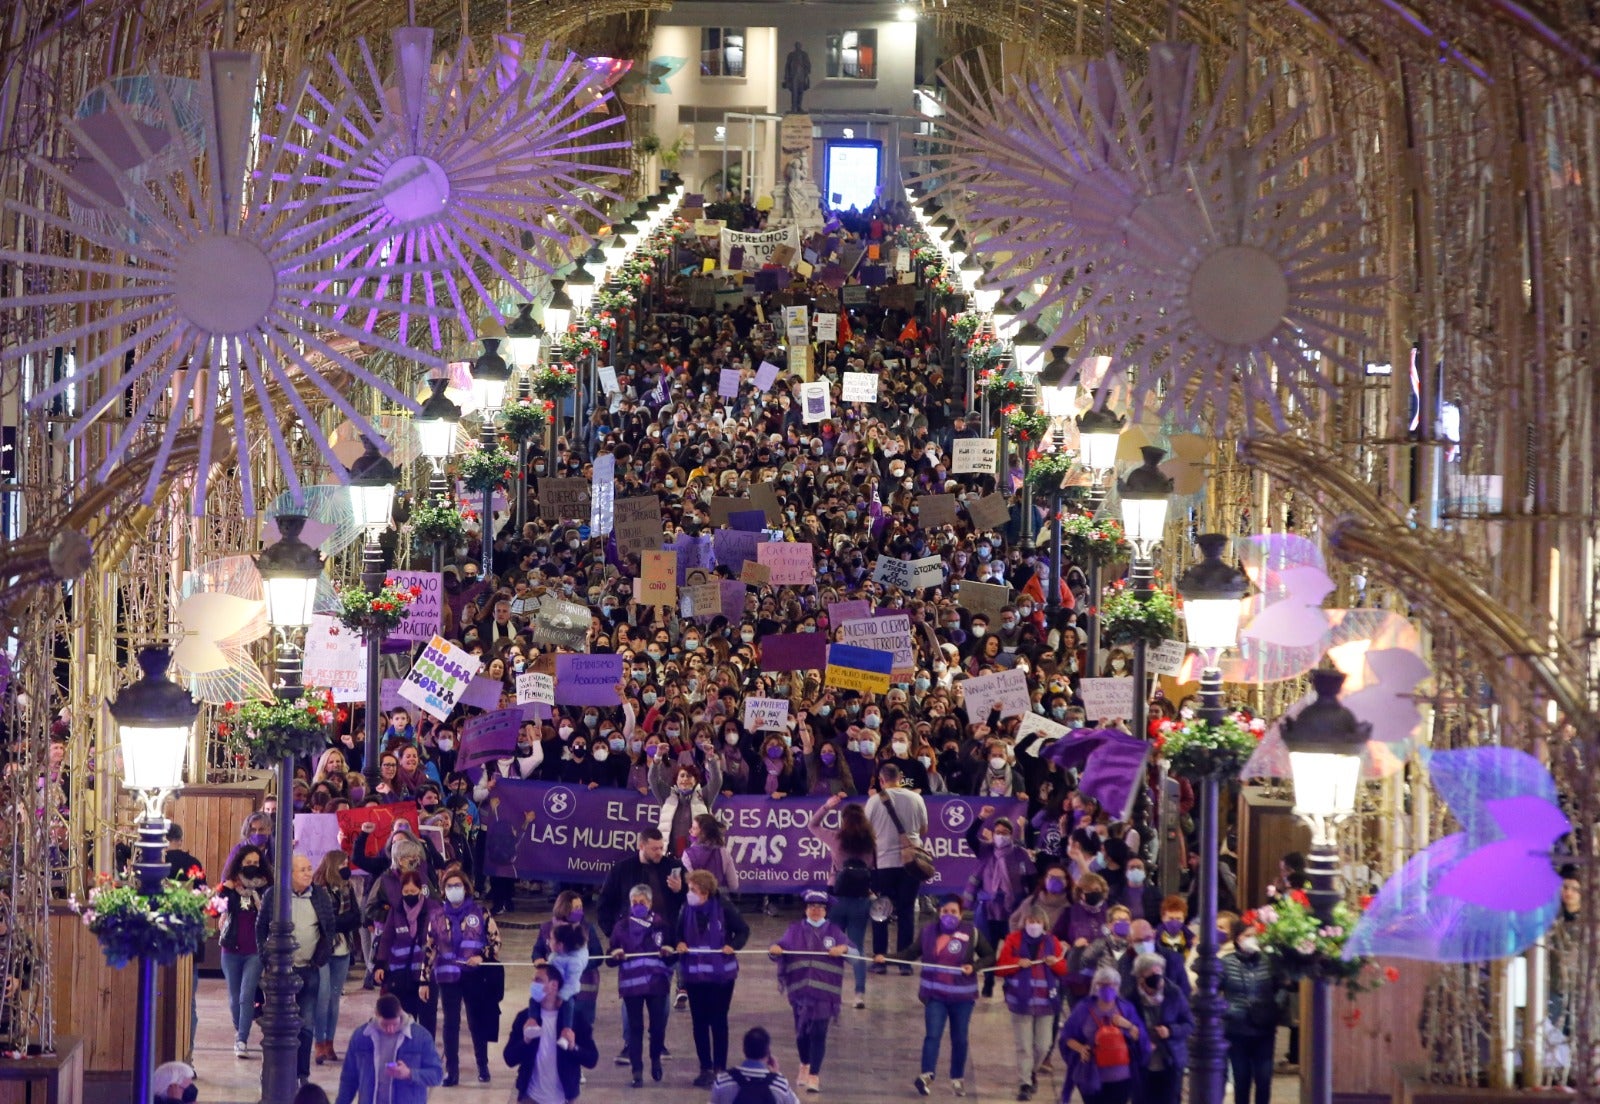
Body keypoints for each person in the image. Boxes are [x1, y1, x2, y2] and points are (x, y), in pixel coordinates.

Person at [882, 894, 994, 1098]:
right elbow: (909, 954)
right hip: (935, 996)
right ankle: (926, 1075)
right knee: (932, 1035)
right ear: (939, 912)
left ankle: (957, 1078)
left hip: (962, 999)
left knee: (959, 1038)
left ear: (961, 914)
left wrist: (975, 966)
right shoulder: (927, 932)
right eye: (945, 911)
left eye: (953, 912)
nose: (949, 915)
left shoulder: (972, 933)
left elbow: (990, 956)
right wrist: (885, 957)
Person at [260, 854, 335, 1085]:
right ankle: (275, 1073)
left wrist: (319, 959)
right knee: (276, 1024)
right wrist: (268, 959)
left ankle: (302, 1074)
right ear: (289, 874)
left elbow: (329, 929)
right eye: (302, 869)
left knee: (306, 1022)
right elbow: (261, 928)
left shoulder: (320, 895)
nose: (308, 873)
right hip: (280, 973)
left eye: (309, 868)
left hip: (308, 969)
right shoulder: (274, 895)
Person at [673, 868, 750, 1087]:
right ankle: (705, 1067)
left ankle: (720, 1069)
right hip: (694, 977)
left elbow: (743, 930)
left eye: (693, 890)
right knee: (699, 1023)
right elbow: (678, 933)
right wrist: (679, 942)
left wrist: (732, 946)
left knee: (718, 1022)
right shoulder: (685, 908)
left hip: (721, 977)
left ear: (705, 892)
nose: (690, 893)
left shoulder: (724, 907)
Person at [768, 889, 851, 1093]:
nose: (816, 910)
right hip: (800, 994)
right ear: (805, 909)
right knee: (801, 1034)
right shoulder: (794, 930)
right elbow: (779, 948)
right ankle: (804, 1064)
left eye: (820, 907)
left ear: (826, 911)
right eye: (812, 906)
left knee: (819, 1033)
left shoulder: (835, 931)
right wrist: (775, 949)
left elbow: (855, 951)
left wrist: (844, 949)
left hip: (825, 995)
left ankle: (814, 1074)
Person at [429, 866, 502, 1086]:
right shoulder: (437, 916)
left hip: (474, 975)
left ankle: (483, 1065)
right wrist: (424, 979)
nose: (454, 890)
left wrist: (481, 955)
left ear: (466, 888)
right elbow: (429, 948)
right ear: (443, 890)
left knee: (475, 1022)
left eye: (457, 886)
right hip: (447, 977)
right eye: (449, 886)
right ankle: (452, 1071)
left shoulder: (481, 913)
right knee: (450, 1025)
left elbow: (495, 941)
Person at [807, 792, 875, 1007]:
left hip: (836, 895)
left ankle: (827, 991)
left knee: (830, 943)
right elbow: (875, 869)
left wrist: (827, 806)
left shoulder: (836, 838)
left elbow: (812, 824)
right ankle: (859, 994)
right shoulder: (871, 843)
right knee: (857, 947)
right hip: (861, 898)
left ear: (843, 820)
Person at [994, 904, 1068, 1100]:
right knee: (1024, 1046)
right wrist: (1015, 963)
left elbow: (1064, 970)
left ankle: (1032, 1070)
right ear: (1024, 922)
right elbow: (1000, 968)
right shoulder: (1013, 940)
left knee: (1043, 1045)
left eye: (1037, 922)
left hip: (1047, 1002)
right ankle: (1024, 1082)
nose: (1034, 925)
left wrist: (1056, 963)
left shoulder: (1052, 942)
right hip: (1021, 1001)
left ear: (1044, 923)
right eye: (1030, 921)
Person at [607, 883, 674, 1087]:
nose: (637, 905)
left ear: (650, 903)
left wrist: (669, 953)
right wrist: (615, 955)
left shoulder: (662, 925)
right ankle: (637, 1070)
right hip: (632, 986)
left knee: (657, 1026)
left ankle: (655, 1059)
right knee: (635, 1028)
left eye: (641, 902)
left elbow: (672, 958)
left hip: (657, 984)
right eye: (634, 902)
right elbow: (609, 959)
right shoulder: (621, 927)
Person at [505, 963, 600, 1104]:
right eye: (533, 980)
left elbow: (592, 1059)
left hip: (564, 1099)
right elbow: (509, 1058)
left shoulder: (575, 1020)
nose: (533, 984)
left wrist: (574, 1047)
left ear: (554, 985)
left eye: (538, 980)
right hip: (530, 1098)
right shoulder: (525, 1018)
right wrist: (525, 1041)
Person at [964, 809, 1033, 999]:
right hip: (988, 910)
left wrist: (1029, 906)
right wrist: (981, 818)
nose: (1001, 836)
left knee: (1013, 950)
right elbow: (969, 836)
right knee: (988, 950)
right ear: (992, 834)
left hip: (1013, 911)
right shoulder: (986, 851)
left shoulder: (1020, 854)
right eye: (998, 832)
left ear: (1011, 834)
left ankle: (1010, 984)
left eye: (1005, 832)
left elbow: (1031, 879)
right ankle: (988, 982)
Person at [866, 763, 928, 975]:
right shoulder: (916, 798)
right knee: (907, 911)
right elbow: (923, 828)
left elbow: (867, 831)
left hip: (884, 863)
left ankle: (880, 960)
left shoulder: (874, 801)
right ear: (900, 777)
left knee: (881, 910)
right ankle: (904, 963)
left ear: (881, 780)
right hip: (911, 863)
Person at [1058, 964, 1151, 1104]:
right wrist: (1081, 1049)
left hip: (1122, 1077)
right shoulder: (1083, 1009)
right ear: (1095, 986)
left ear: (1118, 986)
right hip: (1091, 1075)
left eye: (1112, 985)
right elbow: (1067, 1037)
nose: (1107, 988)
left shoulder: (1126, 1008)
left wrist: (1127, 1025)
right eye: (1102, 984)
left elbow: (1140, 1037)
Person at [334, 992, 444, 1104]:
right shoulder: (361, 1037)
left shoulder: (421, 1037)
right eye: (385, 1025)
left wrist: (409, 1073)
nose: (390, 1029)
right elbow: (348, 1079)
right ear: (376, 1015)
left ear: (400, 1012)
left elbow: (437, 1075)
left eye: (394, 1024)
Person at [216, 844, 270, 1058]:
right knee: (234, 997)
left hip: (255, 950)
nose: (252, 867)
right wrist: (224, 888)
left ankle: (242, 1039)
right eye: (248, 863)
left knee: (247, 995)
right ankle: (240, 1029)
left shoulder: (266, 887)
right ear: (239, 863)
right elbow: (214, 910)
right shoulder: (231, 886)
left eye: (256, 863)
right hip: (231, 949)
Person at [373, 870, 439, 1038]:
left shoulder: (433, 909)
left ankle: (426, 1054)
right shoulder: (396, 911)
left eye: (413, 892)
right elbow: (387, 938)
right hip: (402, 976)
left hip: (426, 976)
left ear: (420, 890)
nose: (409, 895)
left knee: (427, 1021)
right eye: (406, 892)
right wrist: (380, 964)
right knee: (403, 1021)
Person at [313, 850, 364, 1066]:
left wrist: (341, 922)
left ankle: (330, 1042)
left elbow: (356, 917)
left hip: (343, 948)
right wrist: (342, 921)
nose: (346, 866)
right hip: (324, 949)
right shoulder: (318, 890)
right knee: (322, 998)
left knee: (335, 999)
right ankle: (319, 1042)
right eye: (342, 863)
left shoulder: (347, 886)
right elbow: (325, 920)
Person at [1220, 920, 1279, 1104]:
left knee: (1264, 1079)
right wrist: (1227, 1010)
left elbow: (1283, 986)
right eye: (1247, 935)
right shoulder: (1226, 963)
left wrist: (1274, 1006)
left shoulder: (1269, 961)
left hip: (1264, 1028)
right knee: (1241, 1079)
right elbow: (1213, 990)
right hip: (1237, 1028)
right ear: (1238, 938)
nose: (1252, 939)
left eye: (1255, 935)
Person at [1126, 952, 1192, 1104]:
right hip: (1142, 1066)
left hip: (1170, 1061)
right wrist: (1136, 1038)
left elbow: (1189, 1024)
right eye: (1151, 974)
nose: (1156, 978)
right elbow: (1124, 1031)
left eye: (1159, 973)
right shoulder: (1131, 998)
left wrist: (1171, 1031)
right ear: (1140, 978)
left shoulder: (1173, 993)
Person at [711, 1026, 801, 1104]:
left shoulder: (722, 1080)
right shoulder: (779, 1084)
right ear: (768, 1052)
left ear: (744, 1050)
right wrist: (777, 1074)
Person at [682, 813, 741, 893]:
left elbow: (688, 885)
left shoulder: (687, 854)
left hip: (697, 901)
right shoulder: (723, 852)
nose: (690, 831)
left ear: (703, 833)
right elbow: (734, 885)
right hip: (717, 901)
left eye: (694, 828)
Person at [781, 42, 810, 114]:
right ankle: (794, 107)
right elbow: (787, 66)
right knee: (794, 92)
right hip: (793, 76)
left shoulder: (804, 55)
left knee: (800, 92)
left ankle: (799, 107)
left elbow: (808, 64)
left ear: (801, 46)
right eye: (797, 46)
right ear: (795, 47)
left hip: (802, 76)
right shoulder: (791, 55)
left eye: (799, 46)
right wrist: (786, 77)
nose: (798, 47)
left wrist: (806, 74)